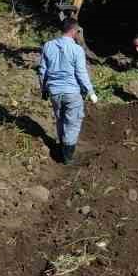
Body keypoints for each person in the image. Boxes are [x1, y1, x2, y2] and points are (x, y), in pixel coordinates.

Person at [38, 18, 97, 165]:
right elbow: (81, 73)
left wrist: (44, 89)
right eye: (78, 31)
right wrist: (90, 92)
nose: (78, 33)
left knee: (60, 119)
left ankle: (61, 147)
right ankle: (67, 157)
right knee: (72, 123)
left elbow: (42, 71)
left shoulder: (48, 46)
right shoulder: (77, 49)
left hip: (54, 92)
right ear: (73, 31)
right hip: (71, 93)